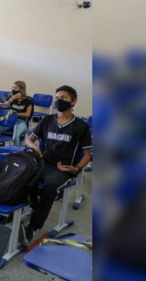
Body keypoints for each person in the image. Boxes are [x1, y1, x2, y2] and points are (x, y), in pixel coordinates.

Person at [23, 85, 92, 245]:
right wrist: (33, 147)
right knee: (24, 174)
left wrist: (76, 168)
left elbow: (87, 155)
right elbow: (29, 140)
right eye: (57, 98)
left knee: (50, 185)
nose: (59, 101)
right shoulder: (47, 120)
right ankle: (33, 205)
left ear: (73, 102)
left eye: (63, 98)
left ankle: (33, 227)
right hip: (43, 163)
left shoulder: (81, 127)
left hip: (63, 168)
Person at [0, 81, 33, 145]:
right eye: (12, 88)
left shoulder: (28, 100)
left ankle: (17, 153)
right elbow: (3, 107)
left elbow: (27, 114)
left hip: (22, 121)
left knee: (15, 136)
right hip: (10, 120)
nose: (13, 90)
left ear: (21, 90)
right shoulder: (11, 98)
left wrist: (14, 114)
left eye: (15, 88)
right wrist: (12, 98)